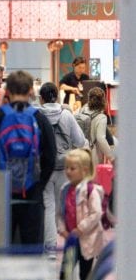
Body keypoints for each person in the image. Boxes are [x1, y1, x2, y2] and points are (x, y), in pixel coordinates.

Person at [0, 70, 57, 250]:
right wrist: (40, 185)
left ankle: (5, 278)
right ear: (31, 90)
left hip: (3, 193)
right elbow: (51, 156)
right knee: (31, 249)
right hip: (32, 193)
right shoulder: (39, 118)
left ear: (7, 90)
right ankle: (29, 279)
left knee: (3, 247)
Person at [38, 81, 88, 254]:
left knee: (48, 206)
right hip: (65, 169)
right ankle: (69, 245)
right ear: (58, 97)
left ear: (41, 98)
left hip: (44, 168)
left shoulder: (37, 115)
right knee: (65, 207)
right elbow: (80, 141)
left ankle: (50, 247)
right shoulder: (67, 115)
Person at [57, 149, 108, 280]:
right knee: (64, 274)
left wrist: (81, 228)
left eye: (72, 168)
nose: (68, 171)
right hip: (71, 240)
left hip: (88, 240)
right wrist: (62, 229)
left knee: (85, 275)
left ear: (84, 170)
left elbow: (96, 213)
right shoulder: (65, 189)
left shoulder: (91, 191)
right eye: (66, 168)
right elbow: (60, 212)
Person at [87, 87, 115, 165]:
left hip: (81, 154)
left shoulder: (82, 110)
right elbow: (100, 139)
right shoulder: (101, 117)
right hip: (93, 154)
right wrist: (112, 158)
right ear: (103, 100)